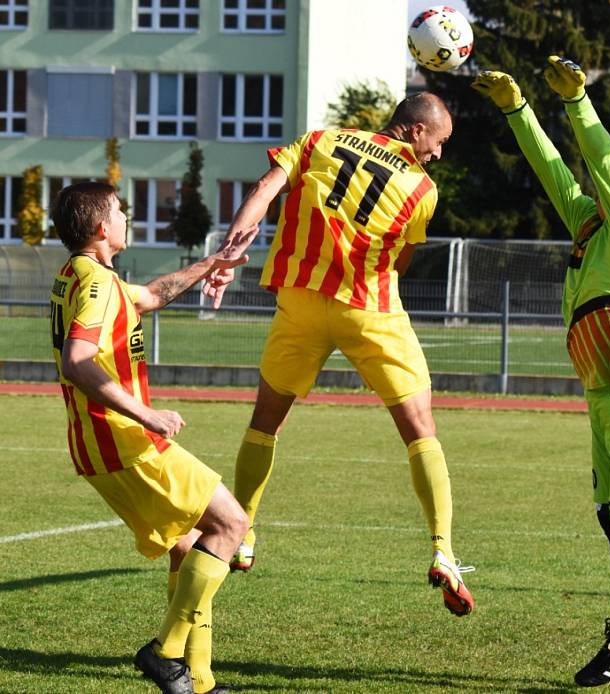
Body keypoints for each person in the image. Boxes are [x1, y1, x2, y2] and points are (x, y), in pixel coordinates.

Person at [202, 92, 474, 617]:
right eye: (439, 143)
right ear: (416, 132)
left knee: (265, 421)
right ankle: (443, 548)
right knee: (421, 429)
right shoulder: (421, 187)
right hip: (368, 307)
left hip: (300, 301)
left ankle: (246, 531)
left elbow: (265, 190)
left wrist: (229, 256)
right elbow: (404, 258)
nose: (438, 155)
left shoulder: (320, 139)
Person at [473, 59, 610, 686]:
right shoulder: (593, 225)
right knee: (608, 513)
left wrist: (580, 104)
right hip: (604, 395)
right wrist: (518, 109)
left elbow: (597, 158)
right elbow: (552, 169)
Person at [49, 181, 258, 694]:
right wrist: (147, 414)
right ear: (102, 228)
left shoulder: (80, 275)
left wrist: (214, 263)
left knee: (190, 548)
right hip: (125, 439)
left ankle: (201, 681)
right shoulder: (97, 285)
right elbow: (78, 362)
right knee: (231, 525)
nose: (127, 219)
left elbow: (150, 296)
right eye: (120, 212)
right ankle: (164, 653)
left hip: (99, 446)